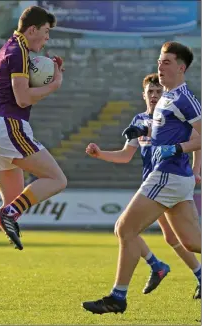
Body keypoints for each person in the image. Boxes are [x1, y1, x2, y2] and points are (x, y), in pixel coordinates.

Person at [82, 42, 201, 314]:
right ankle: (128, 288)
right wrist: (140, 129)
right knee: (191, 242)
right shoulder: (168, 98)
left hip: (168, 176)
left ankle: (118, 296)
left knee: (124, 228)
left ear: (182, 68)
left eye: (167, 62)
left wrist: (177, 148)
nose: (160, 66)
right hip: (173, 179)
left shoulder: (184, 98)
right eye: (160, 61)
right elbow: (155, 134)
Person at [0, 6, 67, 251]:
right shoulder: (18, 51)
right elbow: (23, 98)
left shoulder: (11, 48)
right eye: (46, 31)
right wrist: (54, 84)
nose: (47, 37)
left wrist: (46, 75)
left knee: (11, 203)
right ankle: (10, 214)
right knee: (57, 179)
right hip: (9, 125)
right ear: (32, 29)